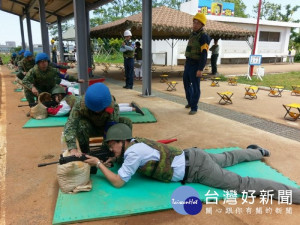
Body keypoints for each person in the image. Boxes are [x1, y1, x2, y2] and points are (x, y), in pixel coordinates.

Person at [84, 123, 300, 204]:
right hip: (194, 156)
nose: (111, 149)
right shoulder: (135, 144)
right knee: (227, 157)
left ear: (122, 141)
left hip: (197, 169)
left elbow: (119, 182)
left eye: (112, 145)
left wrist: (99, 164)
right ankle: (258, 152)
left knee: (243, 184)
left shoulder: (132, 154)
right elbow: (131, 160)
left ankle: (295, 195)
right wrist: (113, 159)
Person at [63, 83, 132, 157]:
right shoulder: (80, 104)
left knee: (126, 122)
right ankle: (86, 154)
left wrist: (105, 150)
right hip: (90, 128)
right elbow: (70, 125)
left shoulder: (112, 106)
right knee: (81, 125)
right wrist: (72, 148)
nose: (97, 111)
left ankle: (121, 154)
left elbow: (112, 128)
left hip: (106, 128)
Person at [183, 13, 211, 115]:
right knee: (186, 83)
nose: (194, 25)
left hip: (196, 65)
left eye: (197, 23)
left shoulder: (204, 37)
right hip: (188, 63)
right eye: (194, 22)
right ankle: (190, 102)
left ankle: (194, 107)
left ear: (202, 24)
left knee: (195, 86)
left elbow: (204, 54)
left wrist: (200, 69)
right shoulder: (192, 35)